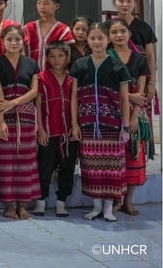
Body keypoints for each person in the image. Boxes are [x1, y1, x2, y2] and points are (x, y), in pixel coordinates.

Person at [70, 22, 131, 221]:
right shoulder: (79, 65)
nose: (97, 42)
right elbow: (74, 97)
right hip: (87, 124)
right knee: (91, 166)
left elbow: (124, 99)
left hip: (112, 124)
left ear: (108, 40)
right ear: (87, 40)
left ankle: (108, 208)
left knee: (111, 168)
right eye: (93, 38)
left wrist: (126, 126)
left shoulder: (118, 66)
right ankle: (96, 207)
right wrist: (75, 124)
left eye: (101, 38)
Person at [0, 25, 40, 220]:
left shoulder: (31, 64)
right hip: (4, 116)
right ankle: (8, 205)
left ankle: (22, 204)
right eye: (9, 39)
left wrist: (14, 103)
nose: (13, 43)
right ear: (3, 42)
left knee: (26, 162)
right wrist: (1, 121)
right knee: (6, 162)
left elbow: (34, 91)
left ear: (22, 41)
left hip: (26, 118)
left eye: (17, 39)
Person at [108, 18, 150, 216]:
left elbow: (140, 92)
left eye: (122, 31)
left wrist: (133, 117)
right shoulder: (105, 57)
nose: (119, 35)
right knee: (114, 159)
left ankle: (128, 201)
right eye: (114, 32)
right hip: (111, 110)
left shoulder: (140, 59)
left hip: (134, 113)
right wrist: (128, 96)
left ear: (129, 34)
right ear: (109, 36)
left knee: (134, 157)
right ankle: (115, 199)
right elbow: (106, 87)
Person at [34, 42, 78, 218]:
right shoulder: (41, 77)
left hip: (67, 131)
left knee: (67, 166)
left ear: (67, 57)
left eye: (60, 56)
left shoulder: (72, 79)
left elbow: (75, 103)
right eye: (52, 56)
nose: (56, 60)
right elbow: (38, 104)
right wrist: (40, 129)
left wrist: (75, 126)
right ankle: (41, 201)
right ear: (47, 58)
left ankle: (61, 201)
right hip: (48, 130)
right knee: (45, 167)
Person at [112, 0, 157, 102]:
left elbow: (150, 56)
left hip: (140, 78)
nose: (125, 5)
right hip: (113, 80)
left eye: (129, 1)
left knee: (139, 110)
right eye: (121, 1)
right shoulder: (108, 26)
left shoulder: (144, 27)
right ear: (114, 2)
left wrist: (152, 82)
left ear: (134, 2)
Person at [23, 0, 74, 71]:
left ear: (56, 6)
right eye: (39, 3)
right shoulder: (28, 28)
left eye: (46, 3)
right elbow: (23, 54)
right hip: (31, 75)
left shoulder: (63, 30)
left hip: (53, 75)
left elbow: (67, 57)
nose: (41, 7)